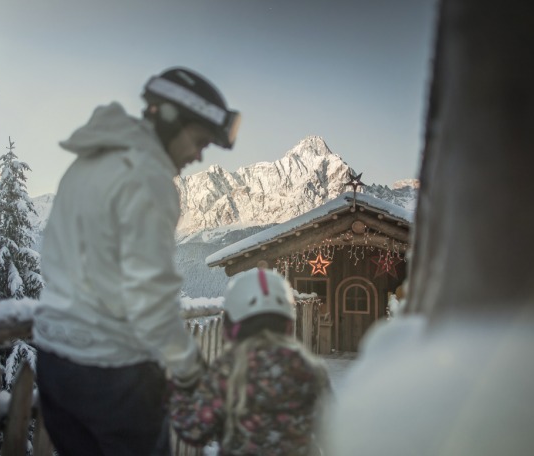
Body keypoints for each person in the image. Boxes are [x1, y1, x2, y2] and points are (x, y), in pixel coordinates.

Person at [32, 67, 241, 455]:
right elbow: (150, 298)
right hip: (113, 373)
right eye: (199, 141)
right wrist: (191, 371)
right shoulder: (149, 179)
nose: (198, 156)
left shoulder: (89, 161)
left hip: (54, 361)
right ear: (169, 119)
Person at [170, 268, 332, 455]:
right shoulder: (310, 368)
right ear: (288, 323)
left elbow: (194, 430)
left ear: (232, 326)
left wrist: (180, 389)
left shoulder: (228, 369)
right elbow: (332, 433)